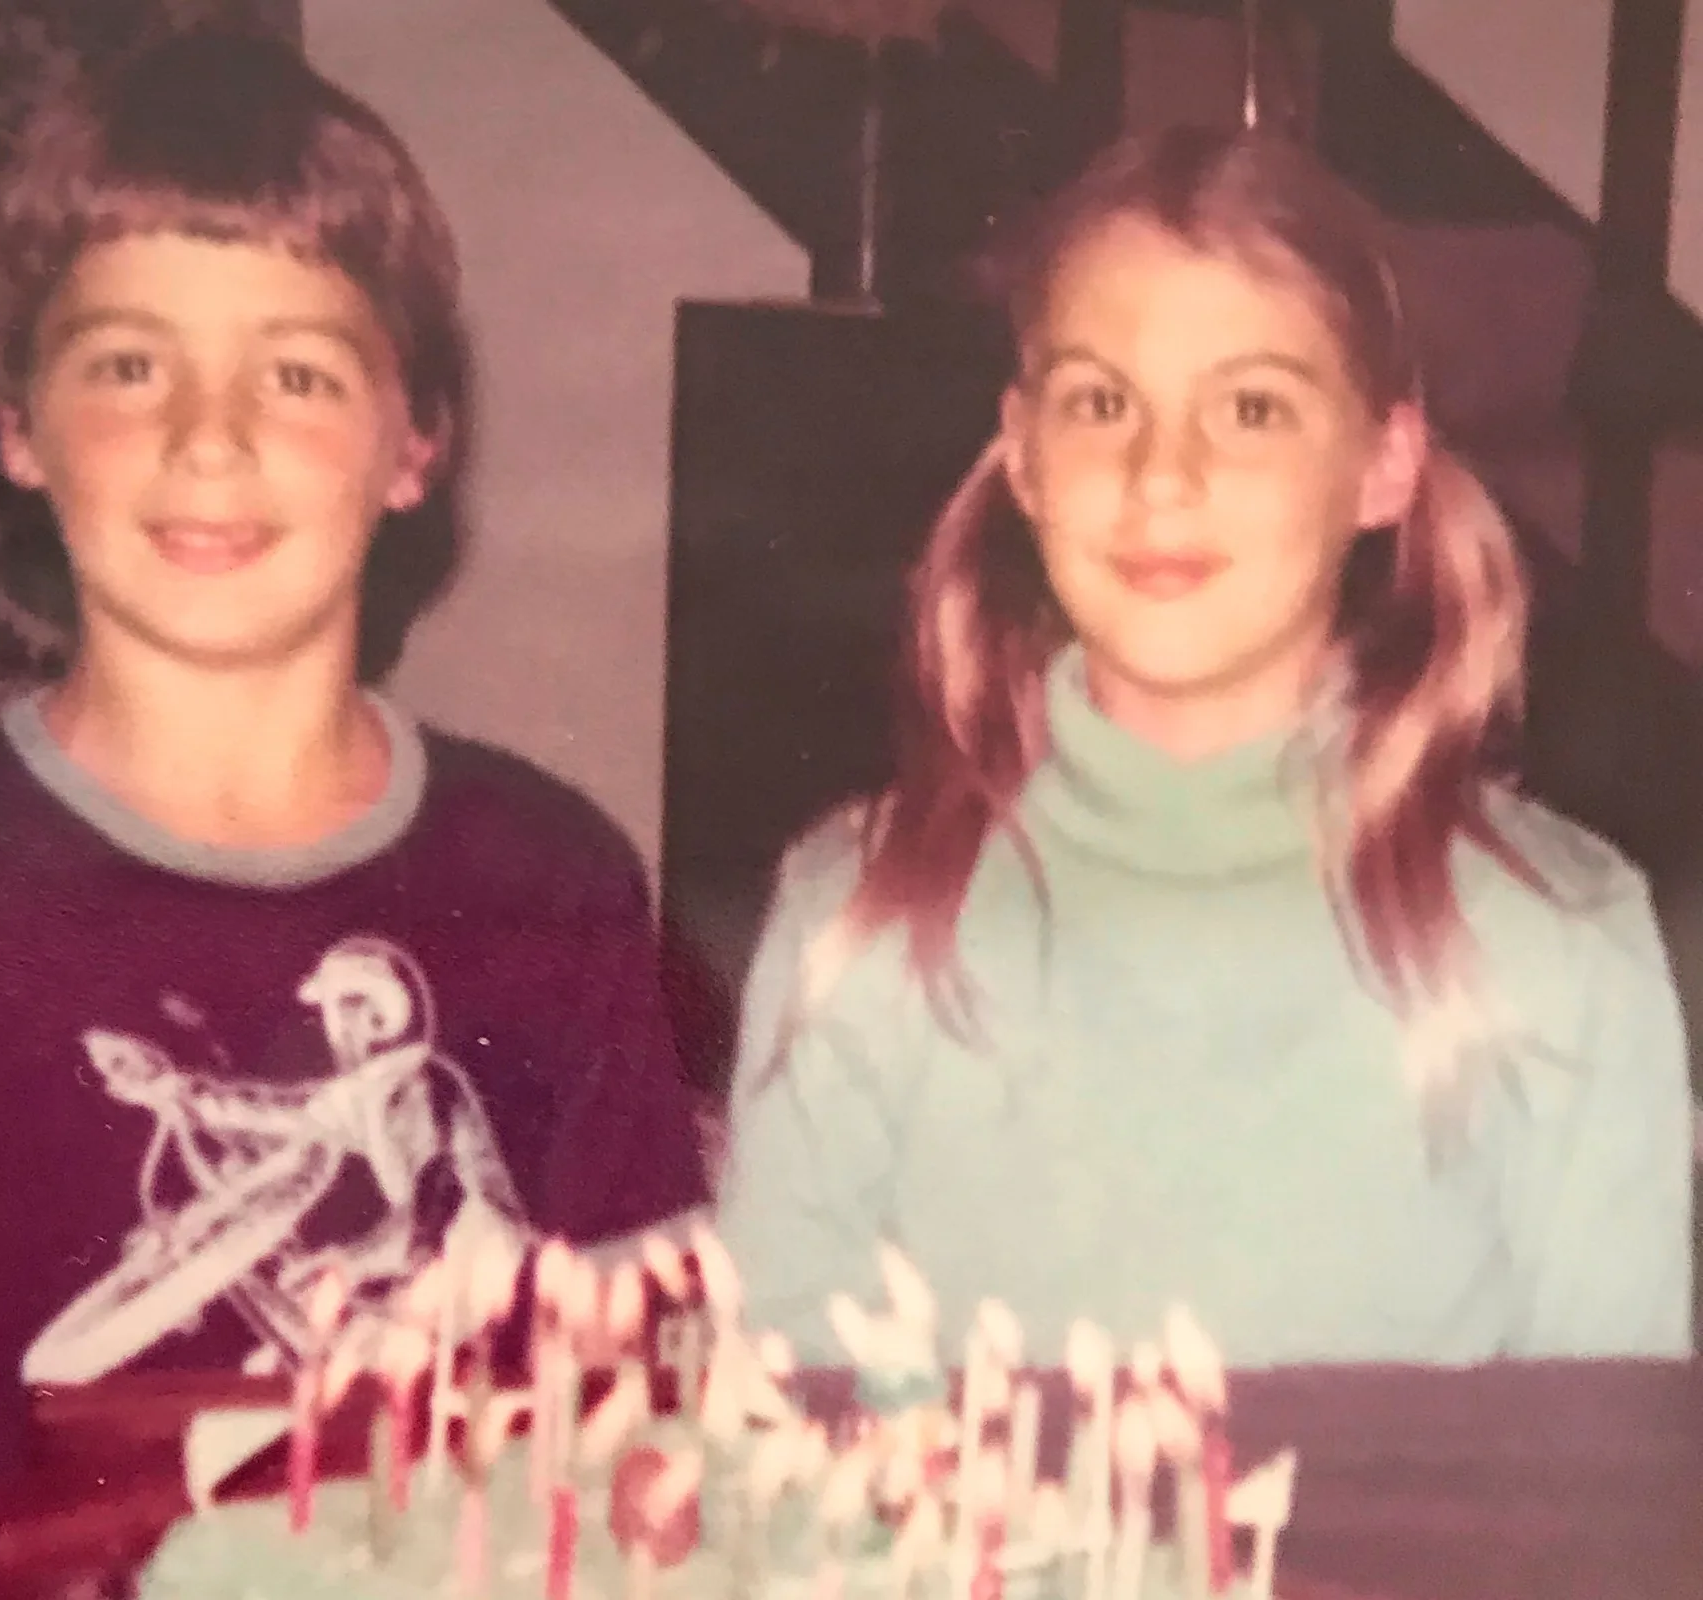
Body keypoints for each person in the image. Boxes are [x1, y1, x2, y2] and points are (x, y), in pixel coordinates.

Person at [0, 32, 709, 1598]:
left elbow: (646, 1428)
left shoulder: (550, 878)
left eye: (296, 376)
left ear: (415, 445)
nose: (207, 437)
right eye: (129, 366)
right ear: (17, 426)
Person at [716, 127, 1695, 1368]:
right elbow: (784, 1429)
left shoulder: (1557, 945)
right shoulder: (860, 921)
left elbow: (1596, 1468)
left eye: (1250, 409)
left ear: (1383, 465)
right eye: (1102, 402)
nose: (1161, 475)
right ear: (1023, 454)